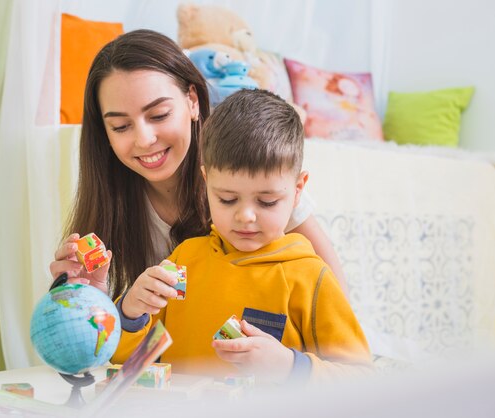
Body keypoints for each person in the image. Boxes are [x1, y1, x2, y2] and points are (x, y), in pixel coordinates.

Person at [49, 29, 349, 301]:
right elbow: (109, 338)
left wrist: (293, 362)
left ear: (192, 101)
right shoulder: (110, 202)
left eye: (159, 115)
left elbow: (334, 296)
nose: (144, 139)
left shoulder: (246, 165)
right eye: (120, 126)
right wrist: (88, 299)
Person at [112, 89, 372, 382]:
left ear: (298, 190)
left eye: (267, 202)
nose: (246, 216)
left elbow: (360, 380)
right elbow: (128, 362)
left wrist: (290, 367)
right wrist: (130, 314)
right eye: (227, 199)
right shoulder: (184, 260)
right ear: (207, 181)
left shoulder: (309, 277)